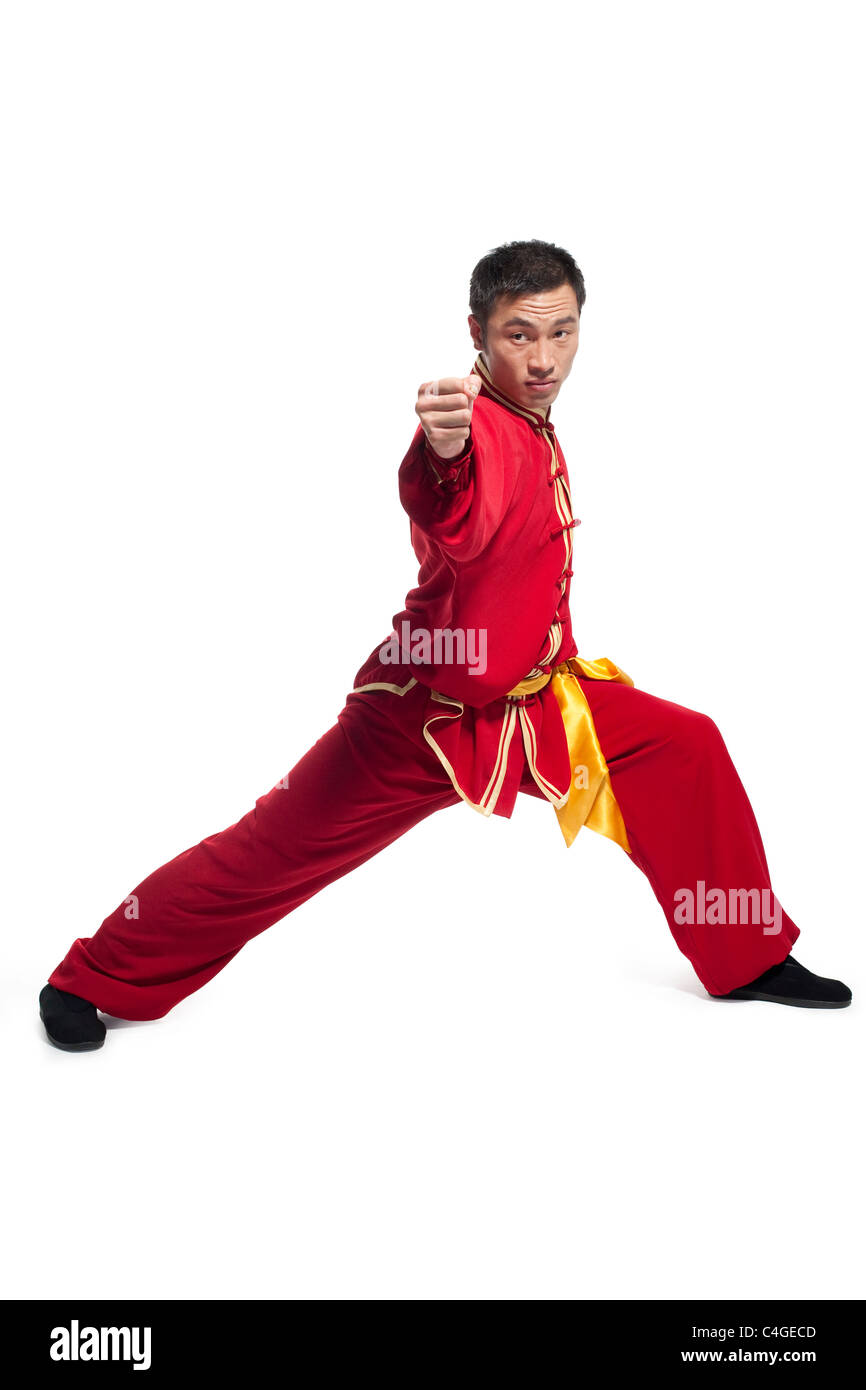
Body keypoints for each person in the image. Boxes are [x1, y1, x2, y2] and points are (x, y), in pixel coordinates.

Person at [39, 239, 851, 1051]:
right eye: (519, 336)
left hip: (537, 701)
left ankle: (744, 955)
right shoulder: (481, 428)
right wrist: (446, 452)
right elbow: (452, 503)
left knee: (686, 745)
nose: (543, 359)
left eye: (562, 333)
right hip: (424, 718)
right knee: (270, 851)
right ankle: (89, 976)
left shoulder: (535, 420)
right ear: (477, 330)